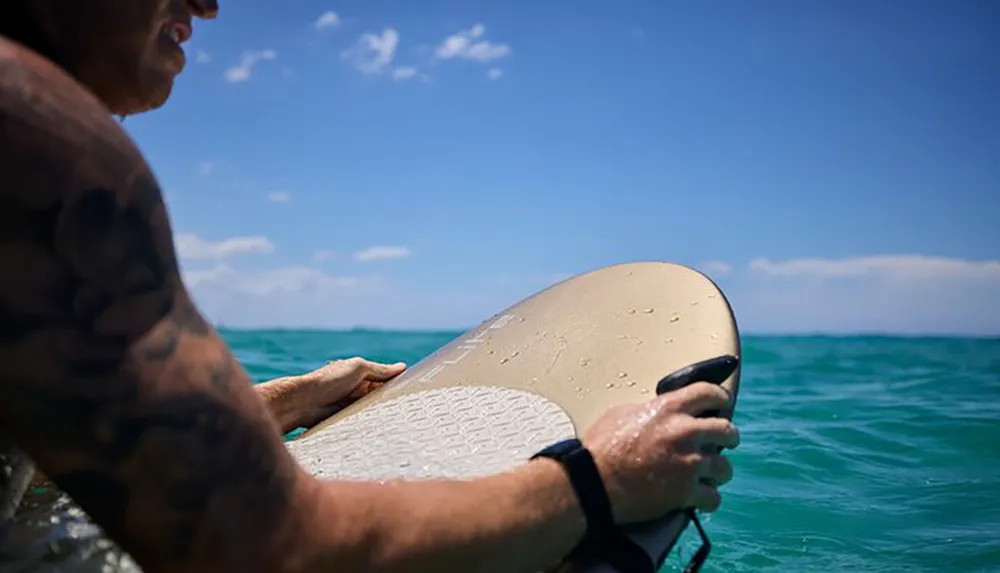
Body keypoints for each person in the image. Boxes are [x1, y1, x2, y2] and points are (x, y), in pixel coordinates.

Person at [0, 1, 741, 572]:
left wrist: (284, 401)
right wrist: (597, 481)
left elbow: (43, 467)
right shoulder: (39, 143)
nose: (207, 4)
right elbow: (265, 549)